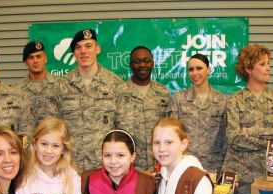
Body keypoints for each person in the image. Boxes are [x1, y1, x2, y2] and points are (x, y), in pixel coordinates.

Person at [53, 28, 123, 170]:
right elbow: (54, 128)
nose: (83, 51)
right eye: (78, 48)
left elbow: (121, 128)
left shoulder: (115, 84)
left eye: (88, 46)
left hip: (105, 166)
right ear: (74, 53)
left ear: (98, 49)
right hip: (69, 165)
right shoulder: (61, 86)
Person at [222, 44, 273, 194]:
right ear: (249, 69)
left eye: (268, 63)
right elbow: (234, 138)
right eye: (262, 64)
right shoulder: (235, 100)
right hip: (241, 182)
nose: (268, 68)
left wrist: (250, 132)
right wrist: (271, 138)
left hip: (270, 178)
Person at [168, 53, 227, 173]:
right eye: (191, 69)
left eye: (199, 68)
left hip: (215, 167)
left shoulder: (222, 101)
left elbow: (227, 138)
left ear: (208, 70)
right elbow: (172, 134)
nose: (195, 73)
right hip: (185, 165)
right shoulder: (178, 99)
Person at [115, 45, 171, 171]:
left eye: (146, 61)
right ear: (130, 65)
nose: (142, 65)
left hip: (159, 166)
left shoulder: (163, 93)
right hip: (128, 168)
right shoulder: (118, 93)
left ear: (152, 64)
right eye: (137, 61)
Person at [14, 41, 58, 125]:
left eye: (38, 56)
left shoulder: (60, 85)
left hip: (52, 136)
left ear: (45, 59)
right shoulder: (16, 89)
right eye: (31, 57)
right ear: (26, 62)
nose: (35, 60)